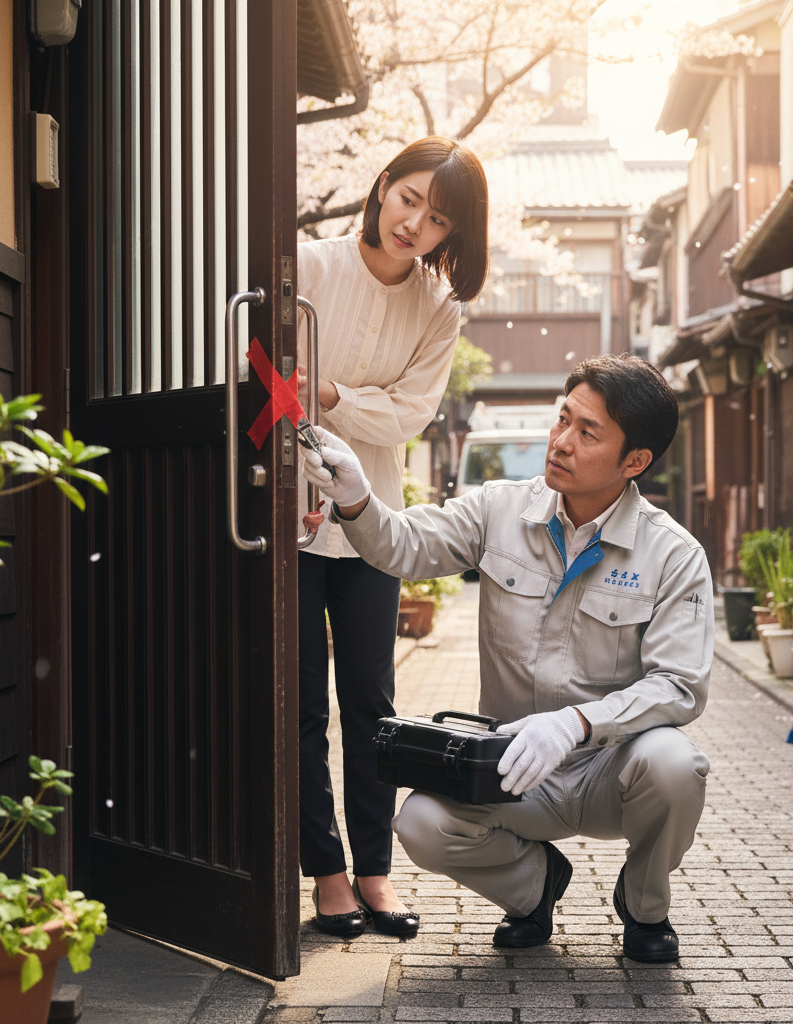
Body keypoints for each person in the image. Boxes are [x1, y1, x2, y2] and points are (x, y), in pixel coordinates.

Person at [301, 353, 713, 963]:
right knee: (420, 823)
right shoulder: (499, 509)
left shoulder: (673, 555)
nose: (562, 442)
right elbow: (407, 547)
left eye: (587, 432)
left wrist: (574, 723)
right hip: (512, 767)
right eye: (563, 419)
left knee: (676, 765)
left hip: (609, 768)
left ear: (636, 462)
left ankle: (644, 906)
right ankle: (534, 889)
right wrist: (358, 498)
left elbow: (680, 686)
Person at [296, 137, 489, 939]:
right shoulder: (306, 266)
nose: (415, 223)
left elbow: (409, 415)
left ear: (453, 235)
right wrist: (318, 440)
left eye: (438, 218)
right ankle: (328, 874)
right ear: (381, 188)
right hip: (293, 513)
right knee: (302, 706)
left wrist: (336, 391)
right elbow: (270, 377)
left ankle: (375, 872)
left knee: (372, 703)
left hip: (371, 522)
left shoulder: (438, 310)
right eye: (409, 198)